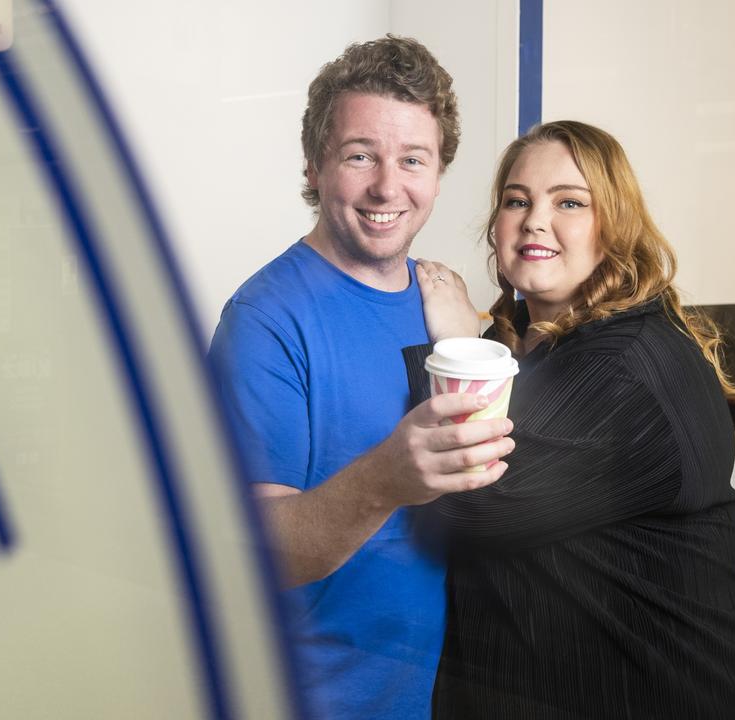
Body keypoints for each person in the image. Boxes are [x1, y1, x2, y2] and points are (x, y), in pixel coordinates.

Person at [414, 120, 735, 718]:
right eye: (516, 200)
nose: (534, 219)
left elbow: (468, 509)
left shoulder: (627, 364)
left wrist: (458, 346)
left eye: (570, 202)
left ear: (615, 229)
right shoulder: (536, 347)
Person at [207, 36, 514, 719]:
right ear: (315, 166)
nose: (387, 187)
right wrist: (384, 480)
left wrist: (478, 339)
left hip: (432, 695)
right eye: (359, 156)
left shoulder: (443, 305)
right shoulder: (265, 320)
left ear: (438, 172)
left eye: (413, 160)